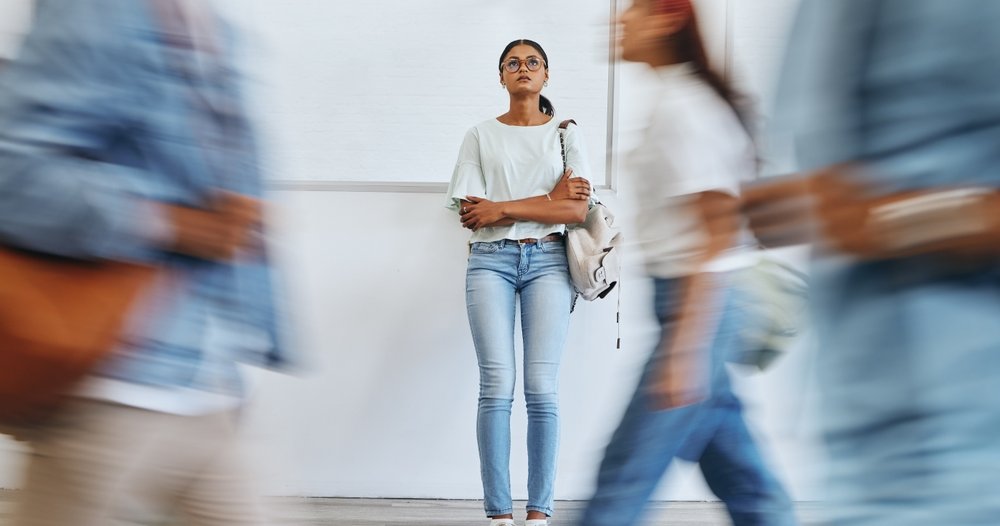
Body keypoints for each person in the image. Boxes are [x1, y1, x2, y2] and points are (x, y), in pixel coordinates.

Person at [0, 0, 290, 524]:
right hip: (112, 376)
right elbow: (13, 173)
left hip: (207, 375)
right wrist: (168, 222)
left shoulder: (216, 28)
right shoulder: (92, 13)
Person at [743, 1, 1000, 524]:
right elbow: (824, 189)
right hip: (860, 441)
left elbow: (862, 214)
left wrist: (889, 222)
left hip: (971, 448)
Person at [578, 1, 797, 524]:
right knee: (744, 480)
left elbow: (718, 231)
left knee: (624, 476)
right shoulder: (672, 102)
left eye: (630, 12)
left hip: (699, 308)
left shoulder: (685, 108)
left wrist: (687, 347)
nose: (617, 22)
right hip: (693, 307)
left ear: (666, 20)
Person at [446, 38, 592, 526]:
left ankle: (539, 514)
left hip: (550, 261)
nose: (523, 68)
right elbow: (473, 214)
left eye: (533, 62)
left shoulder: (567, 135)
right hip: (490, 261)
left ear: (546, 75)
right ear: (502, 77)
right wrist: (544, 199)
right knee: (496, 387)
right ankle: (499, 516)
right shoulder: (480, 136)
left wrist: (507, 206)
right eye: (514, 63)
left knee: (541, 388)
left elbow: (574, 209)